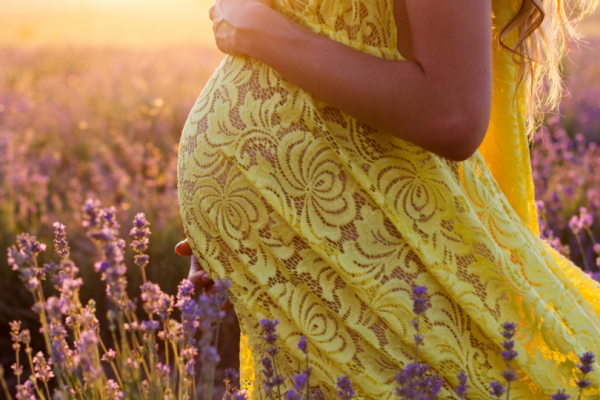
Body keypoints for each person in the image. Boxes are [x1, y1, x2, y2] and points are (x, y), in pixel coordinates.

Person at [175, 0, 600, 397]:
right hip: (309, 234)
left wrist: (261, 35)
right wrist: (239, 213)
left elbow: (450, 111)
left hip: (356, 227)